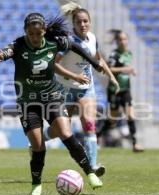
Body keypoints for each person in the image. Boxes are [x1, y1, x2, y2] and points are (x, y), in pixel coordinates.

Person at [0, 12, 106, 195]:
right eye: (31, 33)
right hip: (28, 103)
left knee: (66, 133)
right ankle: (36, 184)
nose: (35, 37)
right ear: (26, 32)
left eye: (38, 33)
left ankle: (90, 173)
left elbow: (75, 46)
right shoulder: (18, 45)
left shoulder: (54, 42)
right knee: (38, 145)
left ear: (44, 31)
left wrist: (94, 62)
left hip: (52, 97)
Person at [41, 3, 120, 177]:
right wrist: (74, 76)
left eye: (85, 21)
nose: (83, 25)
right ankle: (40, 140)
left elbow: (98, 59)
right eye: (79, 22)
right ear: (74, 24)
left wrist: (111, 77)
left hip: (86, 89)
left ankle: (92, 166)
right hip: (64, 89)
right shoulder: (67, 42)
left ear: (89, 22)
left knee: (89, 124)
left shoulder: (92, 38)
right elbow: (53, 65)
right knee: (60, 129)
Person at [98, 29, 144, 152]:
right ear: (117, 42)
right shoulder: (114, 55)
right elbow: (108, 69)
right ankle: (97, 136)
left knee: (130, 115)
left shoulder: (129, 53)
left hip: (126, 90)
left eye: (124, 39)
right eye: (120, 39)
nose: (123, 41)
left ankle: (135, 144)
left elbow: (127, 70)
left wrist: (131, 71)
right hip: (114, 90)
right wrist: (126, 69)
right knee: (112, 121)